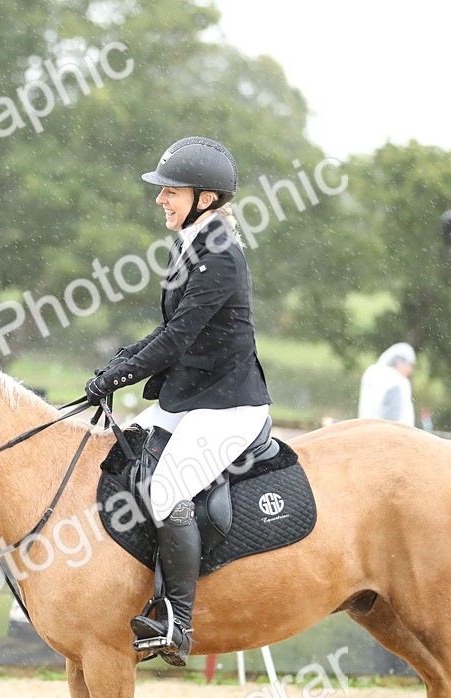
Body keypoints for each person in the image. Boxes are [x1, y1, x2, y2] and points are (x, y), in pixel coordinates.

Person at [83, 136, 271, 666]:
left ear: (205, 199)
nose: (161, 200)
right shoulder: (192, 244)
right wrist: (121, 360)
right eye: (162, 191)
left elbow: (178, 338)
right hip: (190, 397)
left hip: (228, 406)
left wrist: (123, 373)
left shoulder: (221, 257)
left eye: (171, 191)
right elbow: (167, 331)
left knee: (165, 491)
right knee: (118, 456)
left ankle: (177, 620)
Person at [358, 343, 416, 426]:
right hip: (392, 436)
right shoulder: (395, 380)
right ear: (399, 362)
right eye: (410, 365)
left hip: (367, 432)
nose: (411, 371)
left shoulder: (374, 373)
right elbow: (392, 417)